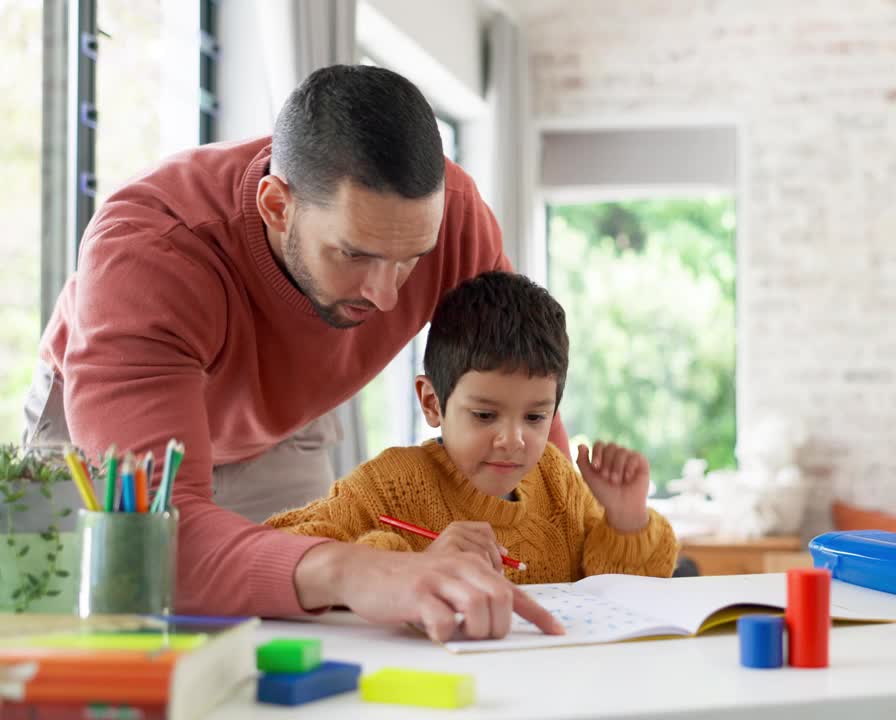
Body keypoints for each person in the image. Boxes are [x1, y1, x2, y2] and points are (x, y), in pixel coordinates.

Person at [23, 64, 563, 638]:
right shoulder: (150, 252)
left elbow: (523, 389)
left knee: (311, 638)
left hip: (285, 420)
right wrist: (351, 567)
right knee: (99, 632)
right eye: (355, 255)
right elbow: (153, 539)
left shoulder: (450, 218)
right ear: (277, 206)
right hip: (109, 443)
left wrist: (566, 535)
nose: (386, 297)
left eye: (412, 259)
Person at [265, 272, 678, 639]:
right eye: (485, 415)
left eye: (535, 416)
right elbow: (274, 555)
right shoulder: (388, 485)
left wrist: (625, 519)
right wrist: (408, 568)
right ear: (432, 403)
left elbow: (623, 600)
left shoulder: (556, 479)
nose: (513, 440)